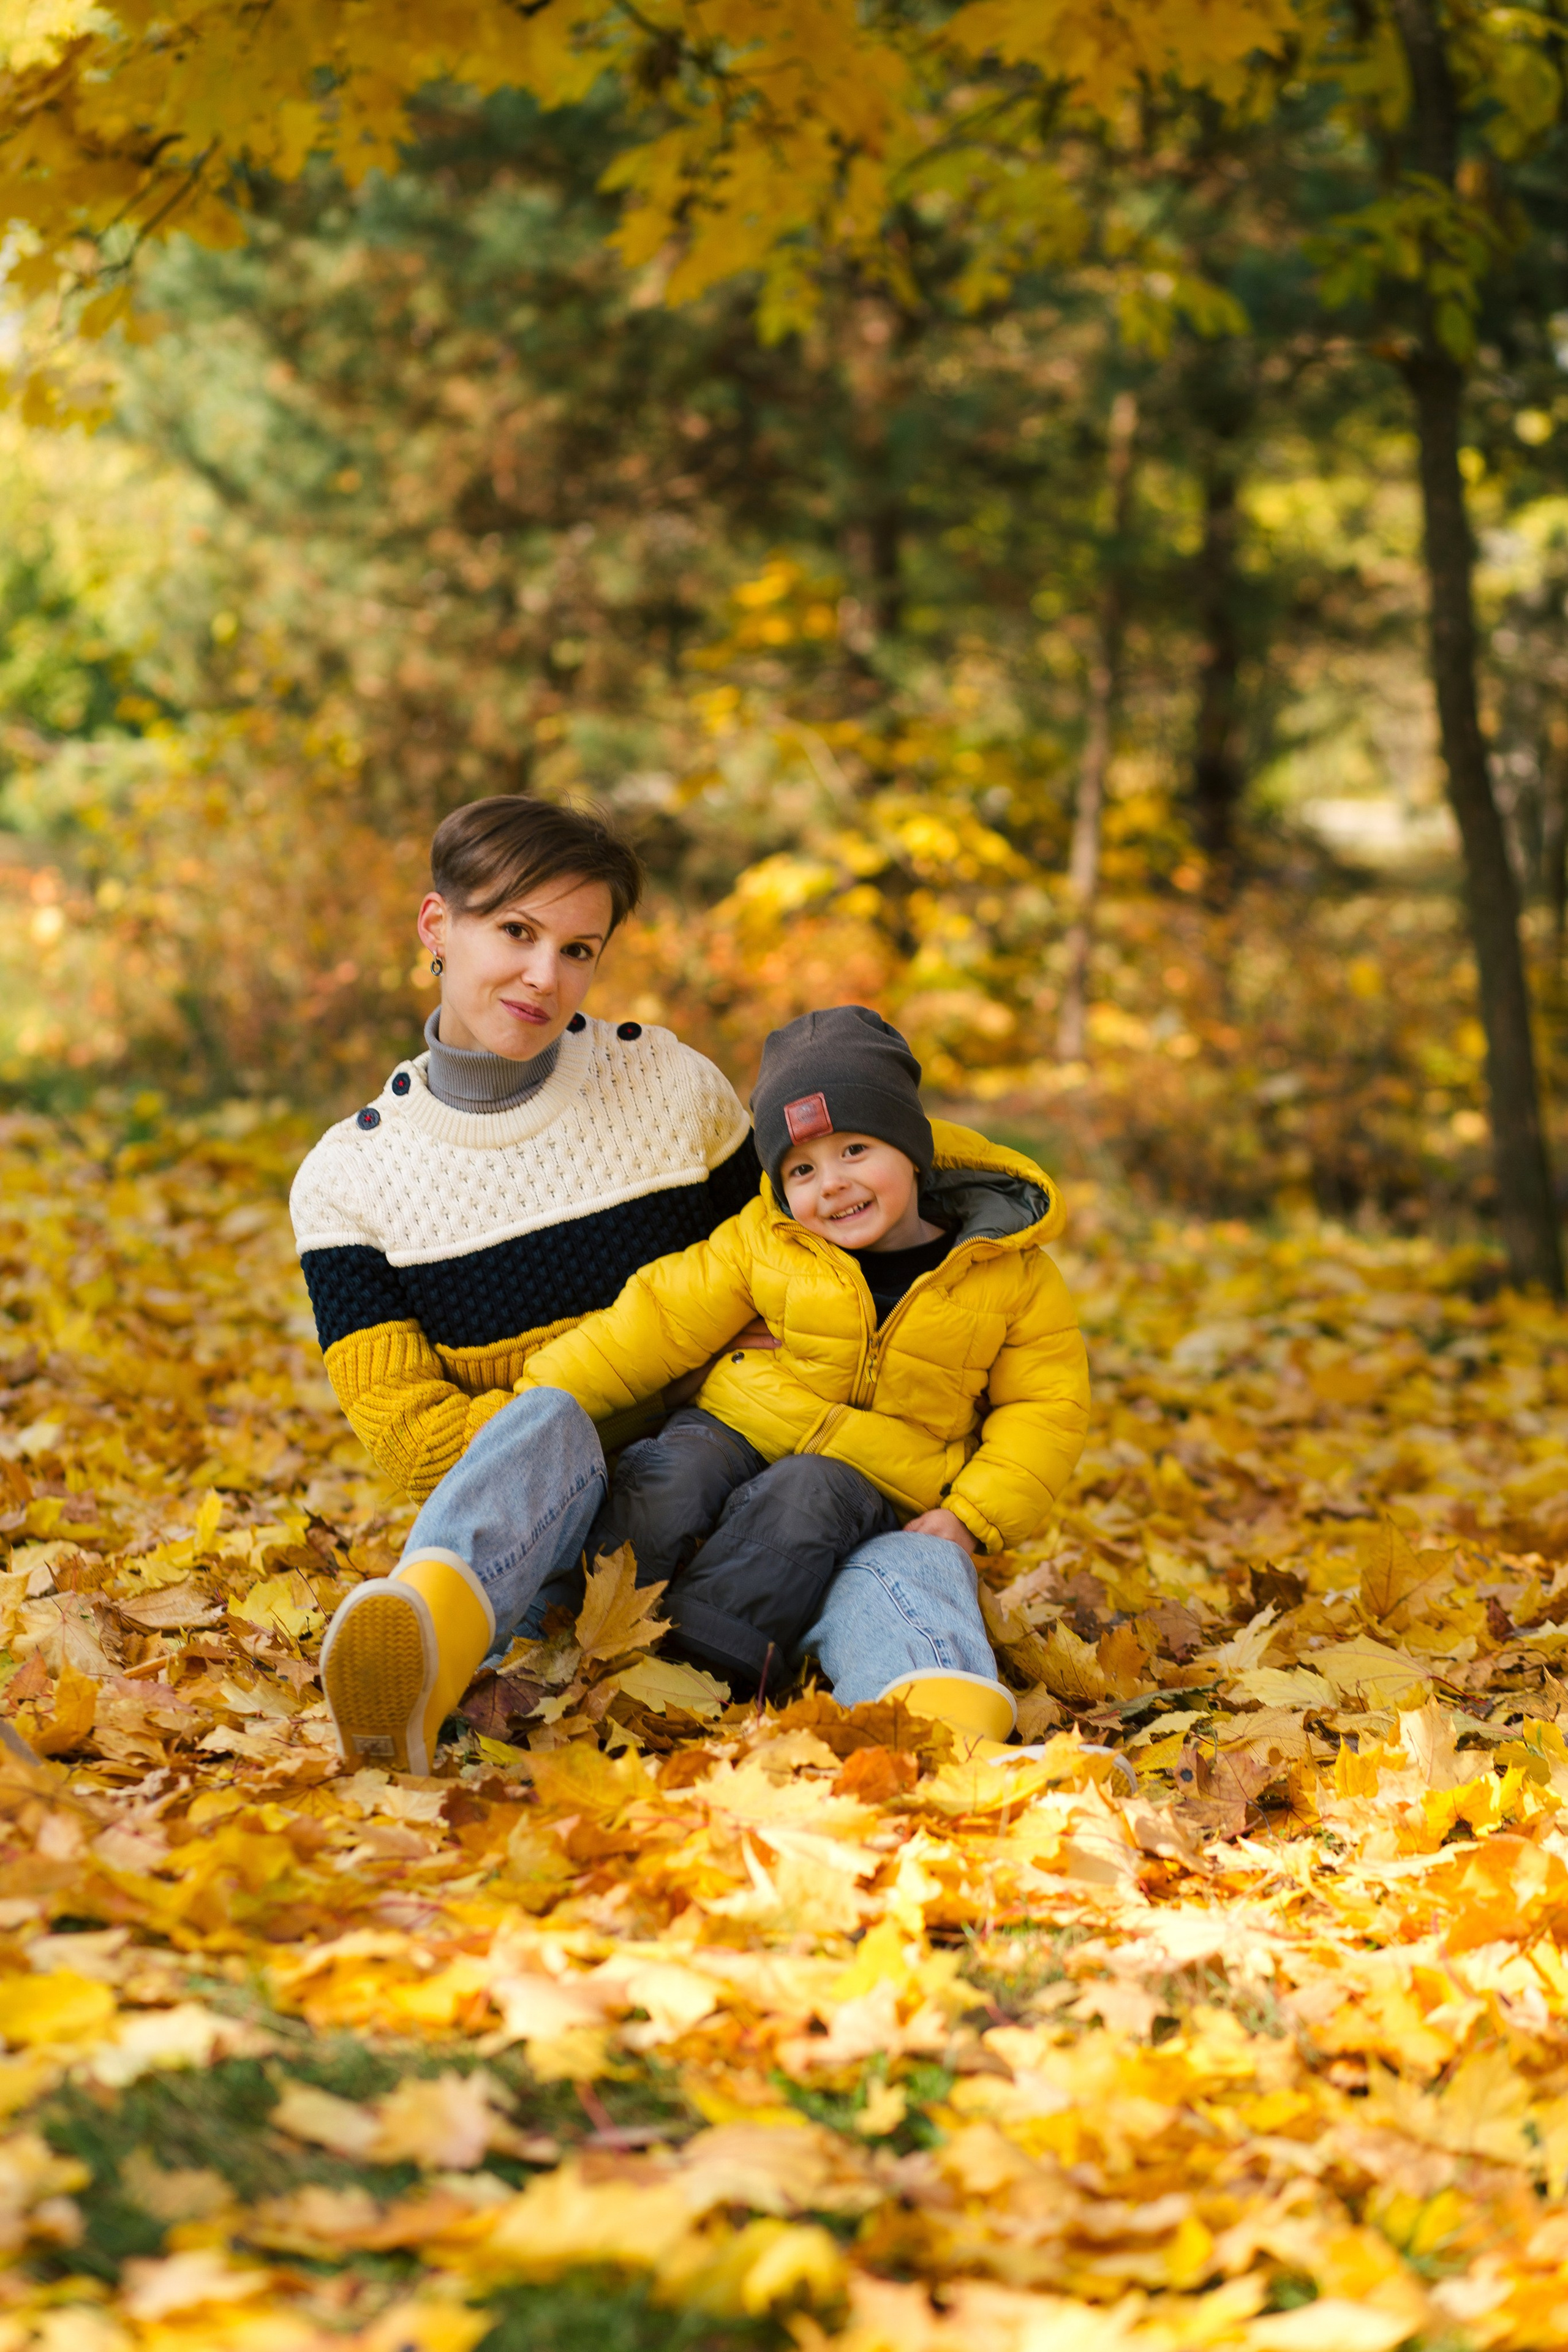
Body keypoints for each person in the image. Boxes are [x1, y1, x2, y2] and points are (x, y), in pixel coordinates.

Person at [293, 796, 1022, 1773]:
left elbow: (811, 1286)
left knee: (910, 1554)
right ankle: (422, 1650)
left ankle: (953, 1758)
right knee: (546, 1423)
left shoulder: (669, 1087)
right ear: (437, 925)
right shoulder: (351, 1180)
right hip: (556, 1546)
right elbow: (421, 1450)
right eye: (515, 931)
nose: (544, 976)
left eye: (580, 948)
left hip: (778, 1514)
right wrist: (623, 1411)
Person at [519, 1005, 1091, 1744]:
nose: (833, 1185)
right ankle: (563, 1630)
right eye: (802, 1168)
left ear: (911, 1148)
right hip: (734, 1425)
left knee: (804, 1494)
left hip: (870, 1477)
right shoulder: (765, 1242)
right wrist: (539, 1400)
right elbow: (654, 1322)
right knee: (671, 1472)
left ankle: (696, 1674)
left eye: (856, 1149)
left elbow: (1045, 1409)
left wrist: (973, 1517)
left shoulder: (1005, 1272)